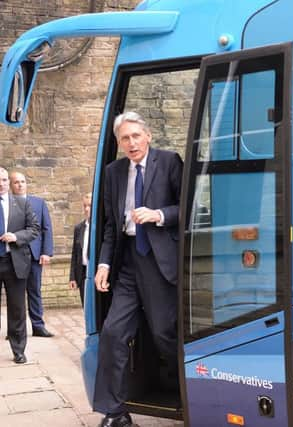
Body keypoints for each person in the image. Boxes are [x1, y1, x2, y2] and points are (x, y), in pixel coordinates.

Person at [93, 112, 182, 427]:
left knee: (164, 333)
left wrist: (158, 214)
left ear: (148, 136)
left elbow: (189, 207)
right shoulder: (113, 172)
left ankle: (183, 388)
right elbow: (109, 225)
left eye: (135, 136)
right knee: (113, 333)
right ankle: (115, 411)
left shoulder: (170, 161)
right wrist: (103, 263)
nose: (131, 143)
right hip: (128, 261)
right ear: (118, 143)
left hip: (160, 262)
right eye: (124, 138)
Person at [0, 167, 40, 364]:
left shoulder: (22, 204)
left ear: (9, 182)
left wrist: (16, 237)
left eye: (5, 180)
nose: (2, 183)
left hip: (14, 262)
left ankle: (18, 350)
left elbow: (34, 229)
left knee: (17, 309)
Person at [9, 171, 55, 338]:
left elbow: (46, 228)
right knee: (16, 294)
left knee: (35, 291)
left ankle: (38, 326)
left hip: (35, 255)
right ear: (11, 185)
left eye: (22, 181)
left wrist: (46, 252)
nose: (20, 185)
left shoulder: (38, 202)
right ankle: (16, 330)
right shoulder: (6, 204)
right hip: (13, 256)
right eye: (16, 182)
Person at [69, 192, 92, 306]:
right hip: (82, 273)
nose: (87, 209)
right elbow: (75, 254)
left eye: (90, 206)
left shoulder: (103, 228)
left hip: (96, 272)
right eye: (85, 206)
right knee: (86, 305)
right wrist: (72, 277)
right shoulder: (79, 228)